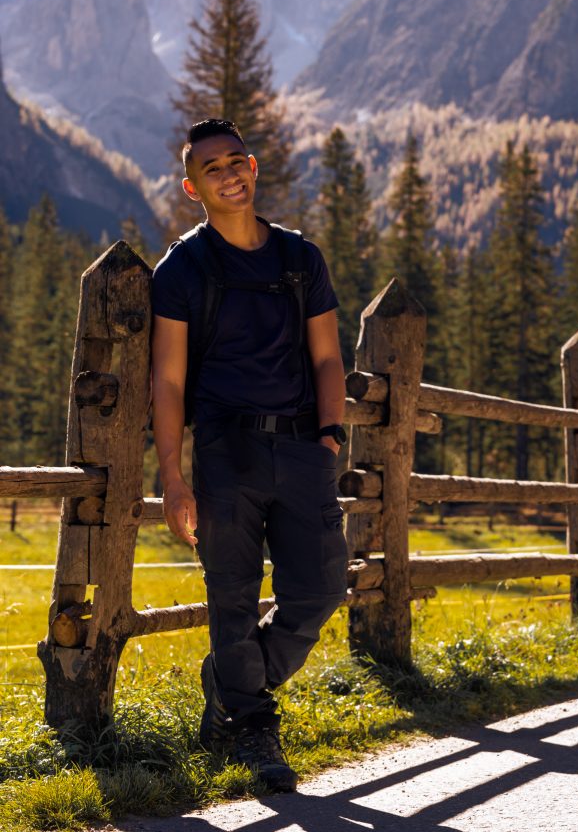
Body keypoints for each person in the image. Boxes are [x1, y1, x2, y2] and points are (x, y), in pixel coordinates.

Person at [151, 118, 349, 792]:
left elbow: (328, 357)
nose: (229, 174)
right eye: (212, 168)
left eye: (237, 161)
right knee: (231, 597)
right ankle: (253, 727)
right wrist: (173, 475)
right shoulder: (182, 269)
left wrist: (329, 437)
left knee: (321, 588)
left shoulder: (300, 258)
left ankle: (229, 681)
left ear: (254, 166)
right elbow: (168, 380)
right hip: (225, 451)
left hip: (301, 447)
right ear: (193, 188)